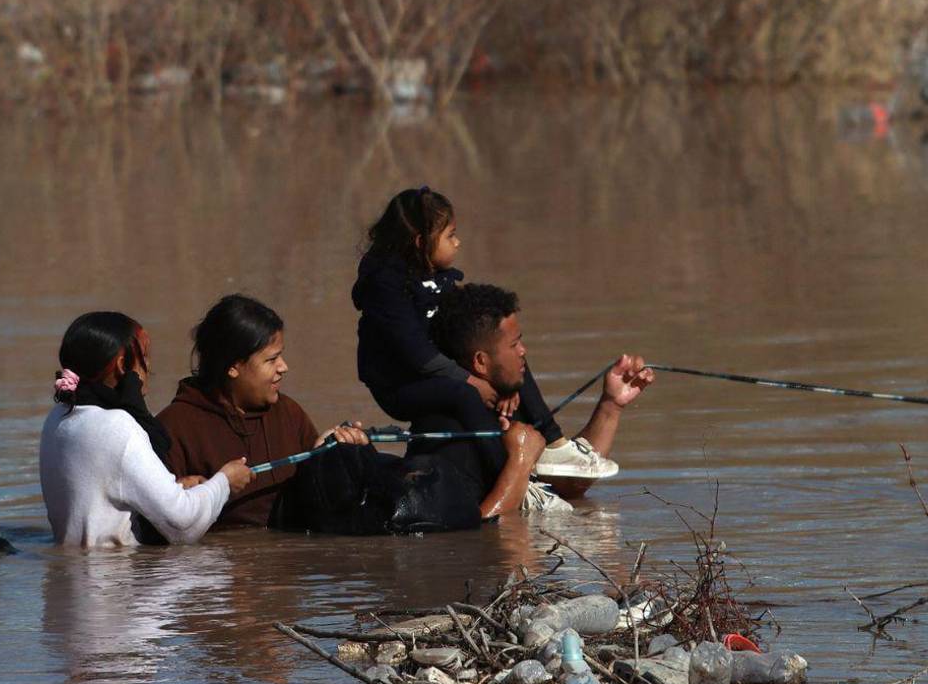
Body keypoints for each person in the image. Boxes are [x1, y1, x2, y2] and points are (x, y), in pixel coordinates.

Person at [351, 187, 617, 483]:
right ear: (420, 242)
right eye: (451, 235)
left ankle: (555, 443)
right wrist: (472, 382)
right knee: (463, 394)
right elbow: (417, 354)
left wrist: (506, 382)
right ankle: (511, 476)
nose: (458, 242)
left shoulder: (436, 276)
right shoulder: (385, 288)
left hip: (440, 370)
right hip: (401, 386)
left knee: (511, 356)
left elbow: (462, 332)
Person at [410, 283, 654, 518]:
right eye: (514, 344)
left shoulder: (509, 402)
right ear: (481, 362)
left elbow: (569, 487)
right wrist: (521, 460)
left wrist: (611, 405)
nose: (523, 351)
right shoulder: (447, 433)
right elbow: (471, 528)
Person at [39, 311, 253, 547]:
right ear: (122, 365)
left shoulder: (58, 418)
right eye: (145, 356)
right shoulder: (118, 427)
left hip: (73, 568)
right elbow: (183, 526)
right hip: (117, 570)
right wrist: (224, 482)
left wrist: (177, 488)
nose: (148, 366)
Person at [157, 295, 368, 528]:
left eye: (281, 356)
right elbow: (157, 518)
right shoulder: (173, 426)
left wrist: (327, 453)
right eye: (272, 359)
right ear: (233, 366)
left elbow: (313, 497)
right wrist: (182, 492)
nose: (284, 367)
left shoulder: (289, 412)